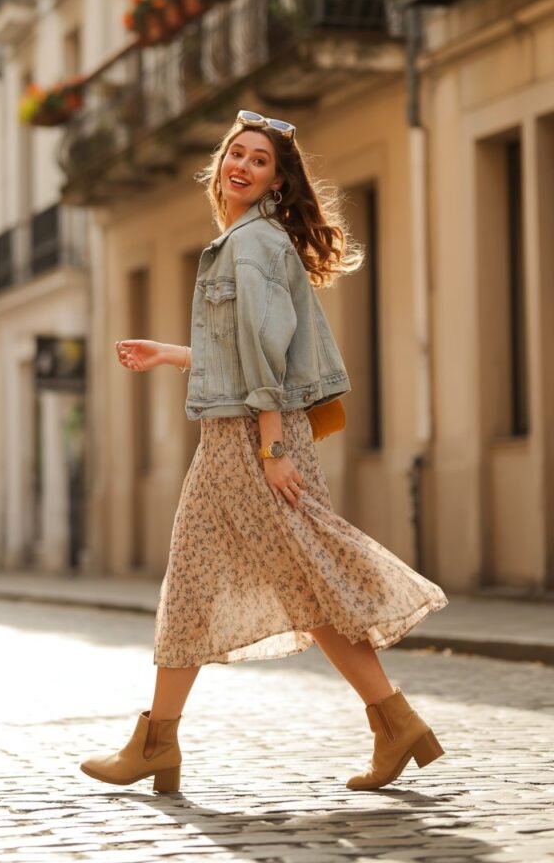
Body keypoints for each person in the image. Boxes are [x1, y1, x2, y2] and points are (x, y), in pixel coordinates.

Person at [81, 109, 448, 794]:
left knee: (267, 584)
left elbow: (263, 359)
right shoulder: (252, 242)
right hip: (242, 436)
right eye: (236, 154)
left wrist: (272, 447)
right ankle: (390, 723)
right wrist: (172, 355)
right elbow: (241, 353)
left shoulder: (248, 246)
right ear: (221, 163)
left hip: (249, 441)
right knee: (262, 583)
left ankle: (161, 742)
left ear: (277, 182)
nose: (242, 166)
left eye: (259, 161)